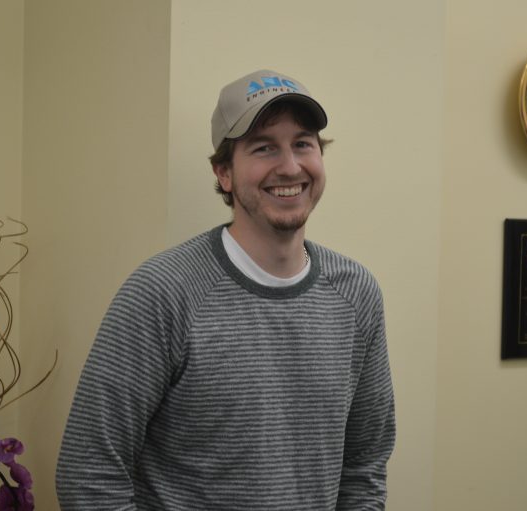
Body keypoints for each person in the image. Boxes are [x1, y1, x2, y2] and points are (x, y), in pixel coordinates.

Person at [56, 69, 395, 510]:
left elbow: (364, 469)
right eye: (264, 147)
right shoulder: (163, 292)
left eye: (303, 143)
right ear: (225, 172)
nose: (290, 166)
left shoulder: (356, 295)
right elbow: (88, 474)